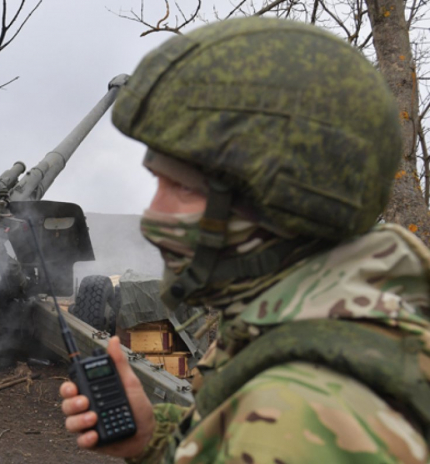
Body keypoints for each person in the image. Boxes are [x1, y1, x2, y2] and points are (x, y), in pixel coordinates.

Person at [61, 17, 430, 463]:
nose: (154, 215)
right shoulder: (353, 323)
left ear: (284, 202)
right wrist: (157, 440)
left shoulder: (294, 419)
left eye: (184, 188)